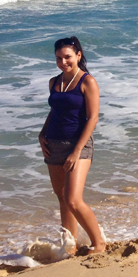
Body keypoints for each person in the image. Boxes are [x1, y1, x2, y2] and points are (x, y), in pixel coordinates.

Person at [38, 36, 106, 254]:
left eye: (67, 57)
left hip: (78, 146)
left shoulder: (88, 81)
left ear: (78, 55)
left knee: (73, 199)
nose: (63, 62)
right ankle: (70, 245)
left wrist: (76, 151)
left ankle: (99, 244)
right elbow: (54, 111)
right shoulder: (54, 82)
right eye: (58, 58)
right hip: (53, 144)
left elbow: (92, 118)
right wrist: (42, 134)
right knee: (62, 198)